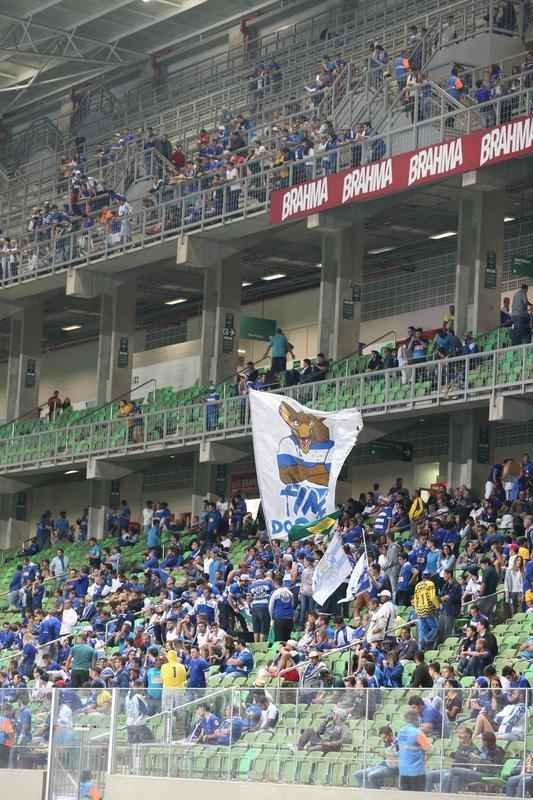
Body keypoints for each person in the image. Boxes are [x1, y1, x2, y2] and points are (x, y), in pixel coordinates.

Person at [397, 709, 432, 791]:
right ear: (417, 719)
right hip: (416, 772)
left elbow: (398, 747)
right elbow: (429, 748)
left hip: (403, 771)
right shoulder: (417, 732)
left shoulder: (400, 731)